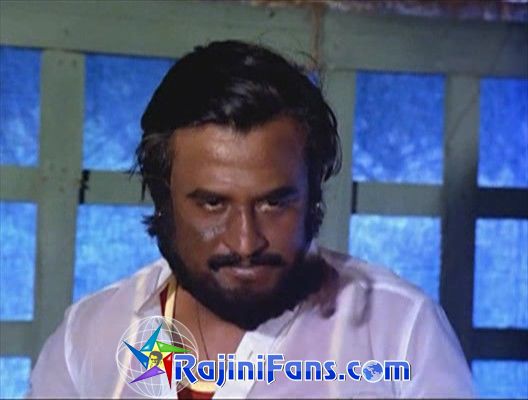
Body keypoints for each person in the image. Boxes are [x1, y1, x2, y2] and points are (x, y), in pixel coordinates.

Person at [27, 40, 474, 398]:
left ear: (313, 195)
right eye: (212, 204)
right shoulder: (90, 336)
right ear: (163, 198)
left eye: (274, 203)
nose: (245, 242)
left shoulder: (400, 330)